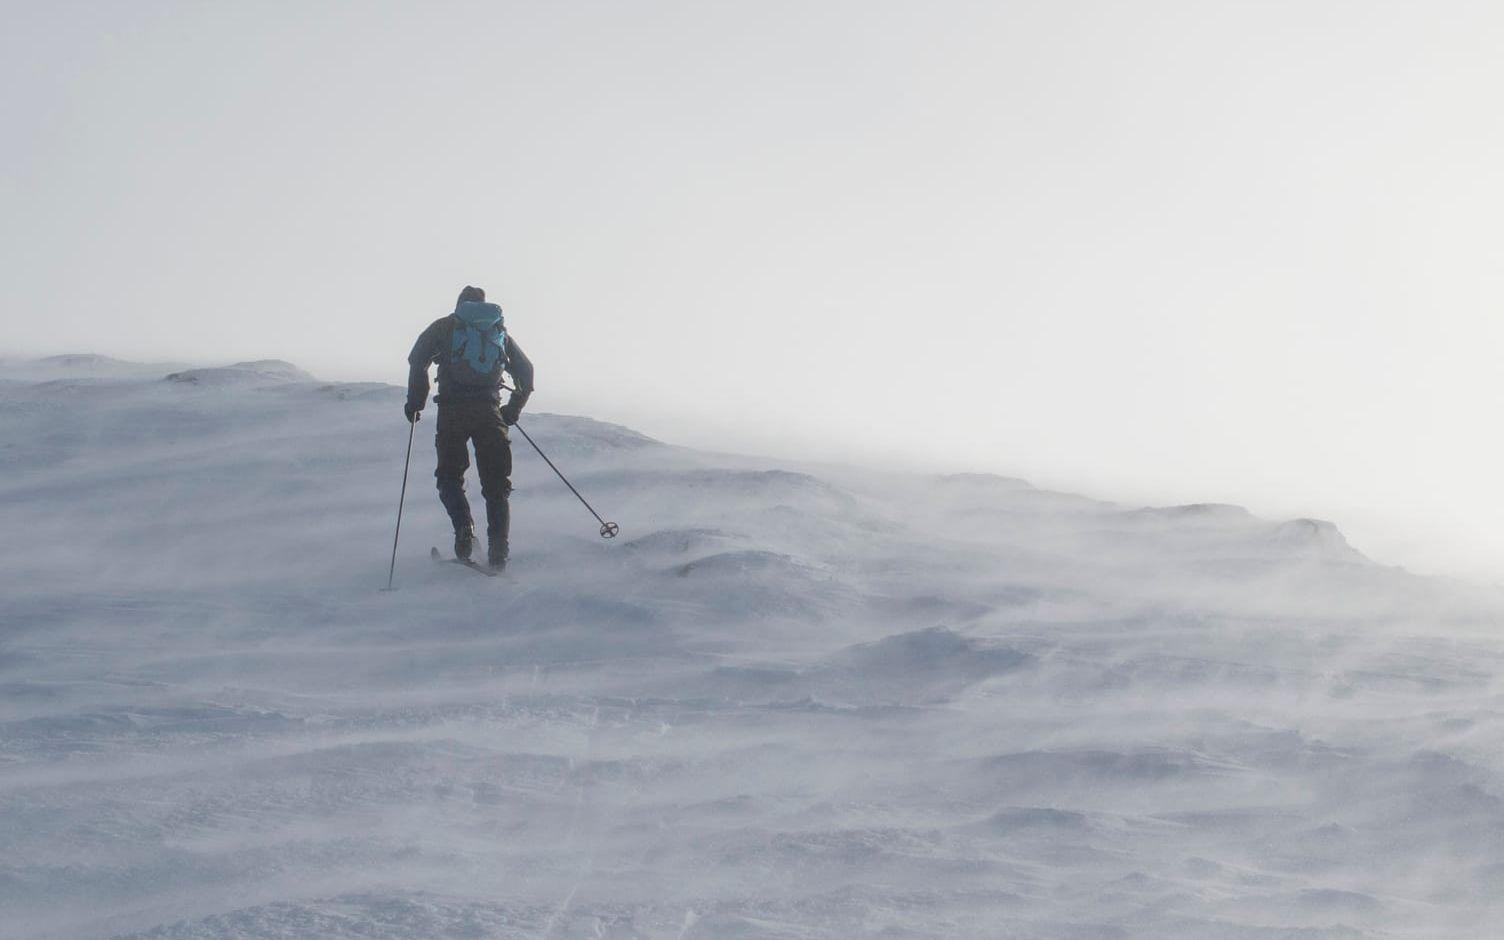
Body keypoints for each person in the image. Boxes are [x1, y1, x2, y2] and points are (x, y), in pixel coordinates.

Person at [405, 285, 534, 570]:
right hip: (490, 414)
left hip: (453, 412)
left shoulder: (446, 327)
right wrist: (511, 411)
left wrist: (416, 403)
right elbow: (526, 371)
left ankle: (465, 531)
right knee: (496, 486)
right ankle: (499, 551)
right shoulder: (498, 331)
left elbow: (417, 360)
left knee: (450, 477)